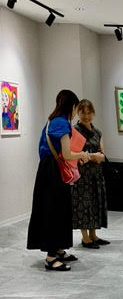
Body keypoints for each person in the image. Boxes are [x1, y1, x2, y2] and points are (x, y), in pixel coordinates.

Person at [27, 90, 103, 271]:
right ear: (72, 106)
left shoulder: (52, 120)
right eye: (76, 108)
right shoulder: (62, 123)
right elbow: (67, 153)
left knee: (60, 210)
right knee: (54, 211)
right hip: (53, 173)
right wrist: (83, 155)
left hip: (49, 170)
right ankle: (51, 257)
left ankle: (59, 249)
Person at [72, 100, 110, 249]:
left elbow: (102, 155)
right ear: (78, 113)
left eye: (89, 113)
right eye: (83, 113)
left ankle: (93, 235)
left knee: (95, 203)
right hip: (82, 176)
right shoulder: (74, 131)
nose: (86, 116)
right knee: (83, 205)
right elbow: (73, 154)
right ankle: (85, 238)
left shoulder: (97, 132)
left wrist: (91, 156)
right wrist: (92, 156)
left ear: (93, 113)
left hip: (96, 174)